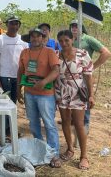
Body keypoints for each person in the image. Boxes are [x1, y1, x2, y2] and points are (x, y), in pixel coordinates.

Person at [17, 28, 61, 168]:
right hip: (29, 93)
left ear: (43, 38)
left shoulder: (50, 52)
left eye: (38, 36)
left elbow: (56, 70)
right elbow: (20, 71)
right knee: (33, 122)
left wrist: (44, 82)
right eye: (32, 36)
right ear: (29, 39)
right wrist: (18, 89)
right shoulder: (25, 52)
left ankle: (54, 154)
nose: (35, 39)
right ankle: (40, 149)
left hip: (46, 95)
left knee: (49, 123)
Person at [55, 30, 94, 170]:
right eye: (61, 41)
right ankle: (70, 149)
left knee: (79, 123)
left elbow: (88, 76)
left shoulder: (82, 54)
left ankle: (84, 156)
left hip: (78, 91)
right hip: (61, 91)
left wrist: (91, 95)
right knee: (65, 121)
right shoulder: (56, 54)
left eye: (67, 40)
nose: (64, 43)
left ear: (72, 40)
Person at [69, 19, 110, 132]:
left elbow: (106, 53)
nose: (74, 28)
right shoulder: (70, 39)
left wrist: (92, 67)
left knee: (85, 100)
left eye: (77, 25)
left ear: (82, 27)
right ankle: (73, 120)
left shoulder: (88, 39)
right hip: (71, 77)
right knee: (72, 98)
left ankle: (84, 126)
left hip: (84, 77)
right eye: (72, 25)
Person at [0, 15, 28, 134]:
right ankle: (6, 129)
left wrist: (23, 79)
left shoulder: (23, 41)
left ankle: (9, 128)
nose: (14, 26)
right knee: (5, 103)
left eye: (16, 23)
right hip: (4, 76)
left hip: (17, 77)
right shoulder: (0, 39)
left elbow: (24, 61)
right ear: (7, 25)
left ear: (19, 25)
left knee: (13, 102)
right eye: (11, 23)